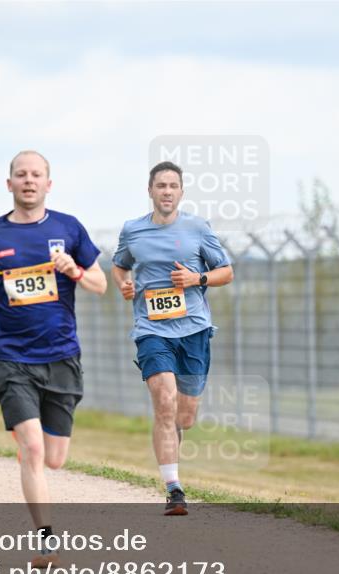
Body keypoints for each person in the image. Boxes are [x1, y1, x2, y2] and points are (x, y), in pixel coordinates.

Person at [0, 150, 107, 567]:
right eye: (20, 175)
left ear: (48, 184)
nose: (28, 180)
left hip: (61, 356)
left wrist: (74, 269)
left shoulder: (68, 228)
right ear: (9, 184)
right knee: (35, 449)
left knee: (54, 459)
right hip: (10, 357)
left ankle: (30, 445)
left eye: (36, 175)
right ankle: (45, 541)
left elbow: (101, 284)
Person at [111, 161, 233, 516]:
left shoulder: (197, 227)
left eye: (173, 186)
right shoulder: (132, 230)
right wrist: (124, 284)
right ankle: (174, 489)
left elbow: (226, 272)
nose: (166, 191)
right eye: (160, 185)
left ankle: (173, 444)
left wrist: (198, 280)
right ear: (149, 191)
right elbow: (120, 265)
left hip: (193, 329)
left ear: (181, 192)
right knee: (163, 402)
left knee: (185, 416)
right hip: (151, 329)